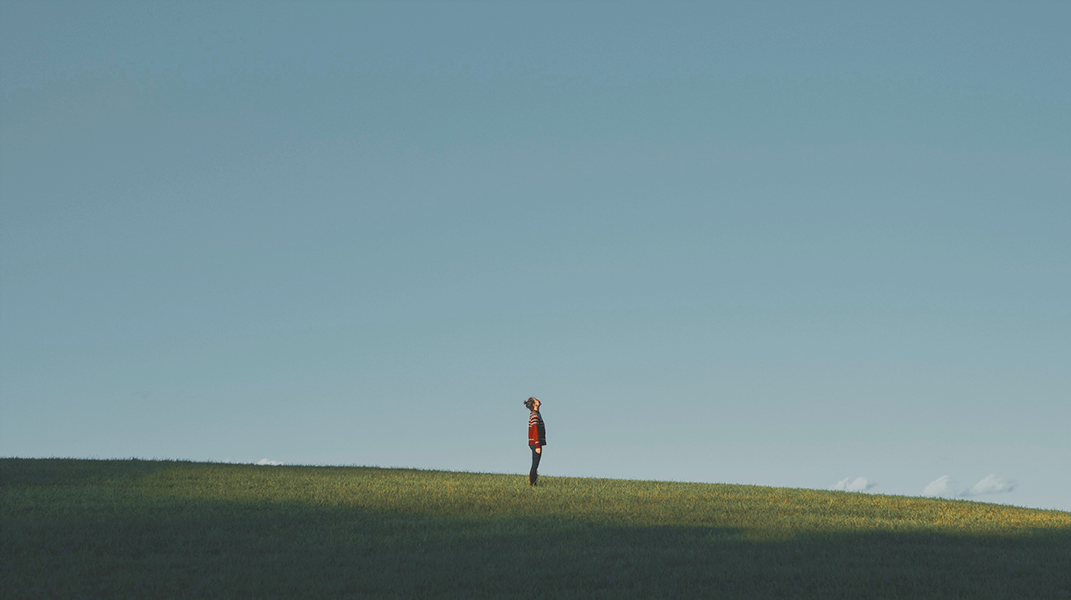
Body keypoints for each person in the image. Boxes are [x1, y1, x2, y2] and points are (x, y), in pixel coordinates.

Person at [524, 397, 546, 486]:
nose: (539, 400)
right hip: (535, 443)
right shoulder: (535, 416)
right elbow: (535, 430)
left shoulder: (536, 414)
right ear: (534, 404)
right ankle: (533, 483)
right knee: (535, 464)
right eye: (536, 400)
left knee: (535, 463)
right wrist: (537, 445)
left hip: (535, 443)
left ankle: (534, 482)